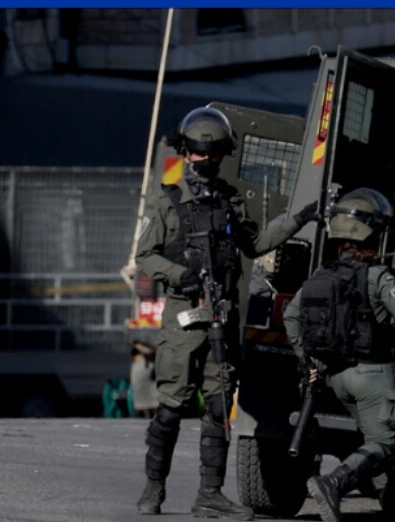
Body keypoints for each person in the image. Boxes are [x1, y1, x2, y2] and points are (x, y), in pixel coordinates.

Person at [134, 106, 320, 520]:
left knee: (219, 408)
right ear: (186, 154)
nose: (205, 161)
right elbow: (145, 255)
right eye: (199, 154)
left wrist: (299, 219)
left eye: (212, 154)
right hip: (184, 322)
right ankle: (153, 489)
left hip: (222, 319)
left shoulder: (230, 201)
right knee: (170, 407)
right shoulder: (170, 201)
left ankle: (210, 494)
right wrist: (180, 275)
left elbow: (256, 244)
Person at [282, 188, 395, 522]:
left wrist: (306, 360)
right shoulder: (377, 275)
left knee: (379, 441)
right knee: (384, 441)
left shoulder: (321, 275)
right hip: (373, 375)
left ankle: (390, 500)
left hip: (336, 378)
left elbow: (290, 316)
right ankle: (332, 483)